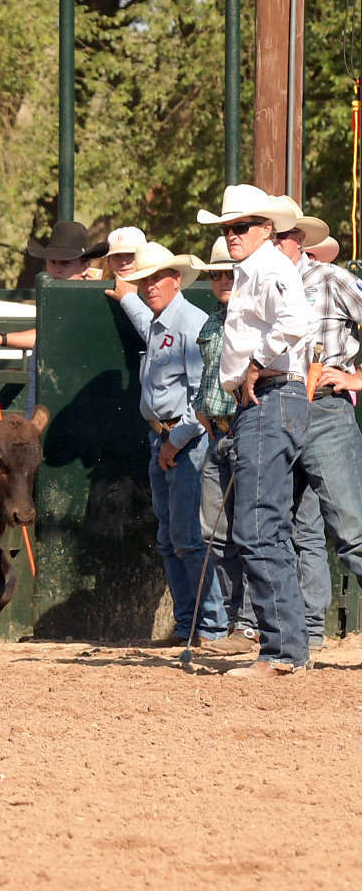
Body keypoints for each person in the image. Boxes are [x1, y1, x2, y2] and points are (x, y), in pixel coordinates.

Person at [198, 185, 315, 677]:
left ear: (267, 229)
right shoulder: (259, 270)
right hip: (266, 400)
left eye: (240, 226)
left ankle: (281, 652)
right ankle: (287, 646)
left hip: (270, 397)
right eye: (227, 228)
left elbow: (297, 322)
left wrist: (257, 366)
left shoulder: (269, 268)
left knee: (258, 525)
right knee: (263, 524)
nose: (231, 235)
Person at [105, 242, 226, 646]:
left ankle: (207, 626)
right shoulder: (161, 321)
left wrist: (174, 441)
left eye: (157, 278)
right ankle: (190, 624)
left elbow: (201, 399)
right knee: (172, 538)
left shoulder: (189, 323)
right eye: (145, 280)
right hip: (164, 438)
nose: (150, 286)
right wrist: (127, 298)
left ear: (177, 280)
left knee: (189, 538)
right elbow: (146, 321)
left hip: (182, 441)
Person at [282, 201, 362, 652]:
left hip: (323, 408)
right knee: (283, 529)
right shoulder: (257, 283)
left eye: (280, 235)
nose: (273, 243)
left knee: (352, 532)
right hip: (275, 410)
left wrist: (355, 378)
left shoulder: (333, 279)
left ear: (299, 240)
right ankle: (298, 638)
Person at [193, 238, 260, 652]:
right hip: (216, 433)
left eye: (228, 273)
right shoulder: (211, 322)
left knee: (253, 530)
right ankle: (238, 621)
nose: (221, 279)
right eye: (215, 273)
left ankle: (251, 624)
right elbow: (206, 375)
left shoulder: (253, 319)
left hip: (246, 429)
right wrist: (200, 410)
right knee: (213, 535)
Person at [0, 220, 108, 371]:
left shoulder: (93, 302)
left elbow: (51, 336)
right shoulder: (53, 298)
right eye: (53, 262)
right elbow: (45, 334)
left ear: (85, 266)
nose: (57, 269)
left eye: (65, 263)